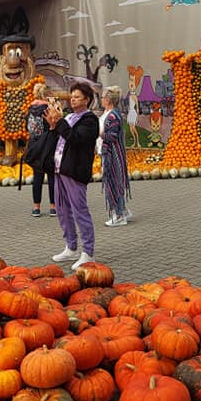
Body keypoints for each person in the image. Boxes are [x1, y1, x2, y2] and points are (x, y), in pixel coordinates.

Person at [45, 81, 100, 270]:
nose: (73, 99)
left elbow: (75, 139)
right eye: (72, 96)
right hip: (59, 170)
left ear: (87, 100)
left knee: (79, 211)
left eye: (77, 97)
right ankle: (71, 246)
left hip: (75, 172)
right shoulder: (69, 117)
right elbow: (60, 138)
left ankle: (88, 252)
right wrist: (53, 125)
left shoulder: (90, 120)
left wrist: (60, 121)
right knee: (62, 210)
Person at [99, 85, 130, 226]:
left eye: (102, 97)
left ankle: (118, 215)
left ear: (108, 100)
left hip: (112, 155)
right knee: (115, 182)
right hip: (108, 153)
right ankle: (122, 210)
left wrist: (98, 133)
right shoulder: (109, 113)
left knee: (114, 182)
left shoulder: (113, 115)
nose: (101, 99)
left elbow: (112, 136)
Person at [26, 82, 55, 217]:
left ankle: (36, 207)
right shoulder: (48, 108)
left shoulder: (30, 108)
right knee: (51, 175)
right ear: (46, 94)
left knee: (37, 176)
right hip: (48, 144)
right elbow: (53, 124)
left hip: (34, 145)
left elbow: (28, 128)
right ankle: (53, 207)